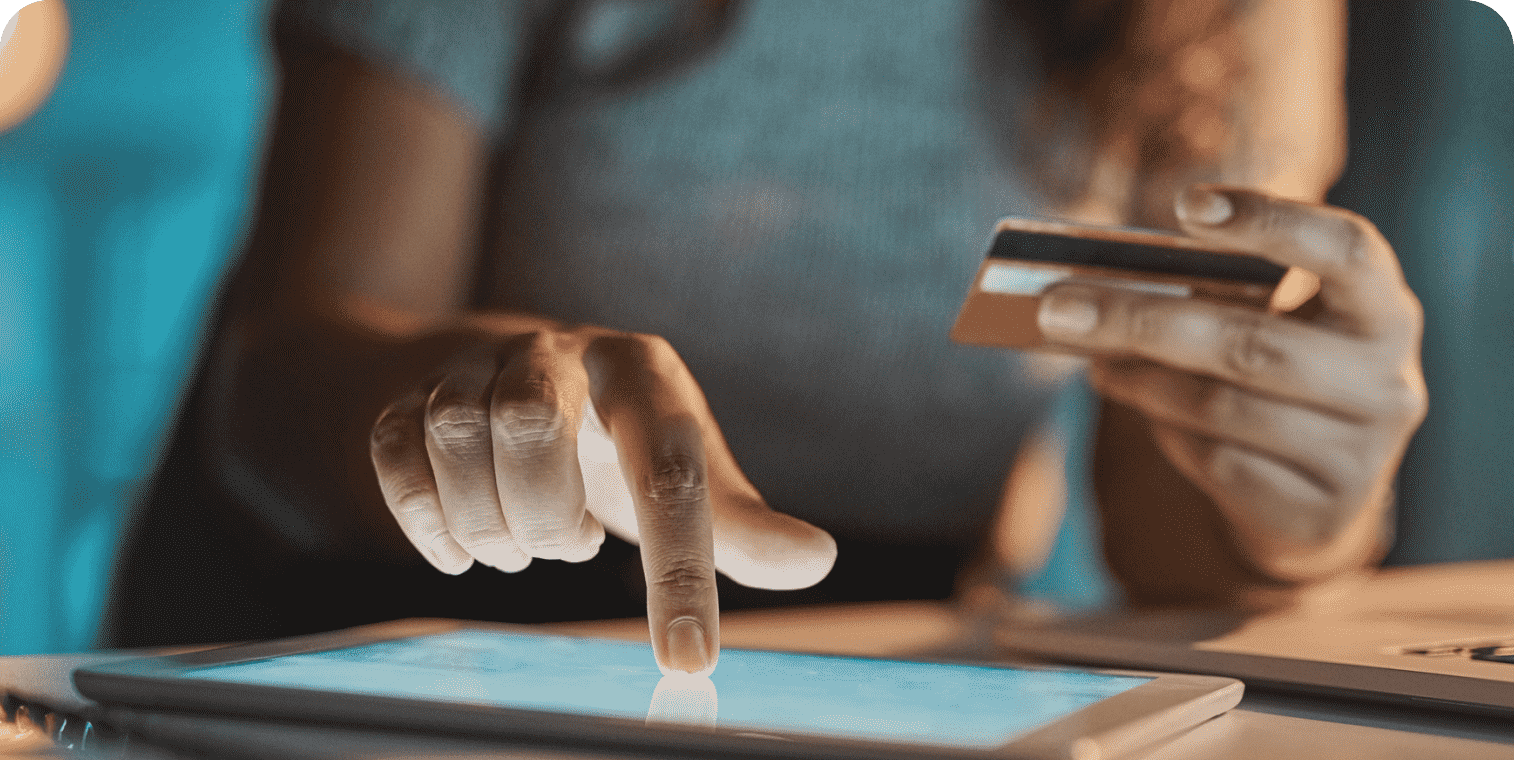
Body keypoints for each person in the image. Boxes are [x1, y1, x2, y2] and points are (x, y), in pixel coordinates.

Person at [102, 0, 1426, 676]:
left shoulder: (1219, 15)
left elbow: (1162, 524)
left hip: (880, 697)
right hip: (376, 657)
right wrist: (475, 406)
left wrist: (1303, 507)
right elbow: (276, 389)